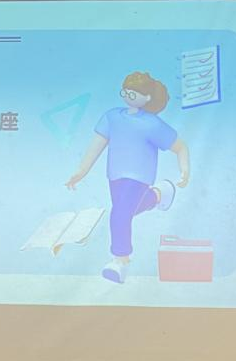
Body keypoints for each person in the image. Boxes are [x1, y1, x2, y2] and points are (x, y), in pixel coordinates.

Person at [66, 71, 191, 284]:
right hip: (115, 175)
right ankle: (158, 195)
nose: (127, 96)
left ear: (147, 97)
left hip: (139, 177)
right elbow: (96, 147)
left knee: (119, 214)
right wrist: (81, 171)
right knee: (126, 211)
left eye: (133, 93)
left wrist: (185, 169)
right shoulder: (112, 117)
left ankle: (120, 261)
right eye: (125, 92)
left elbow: (180, 147)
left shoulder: (153, 124)